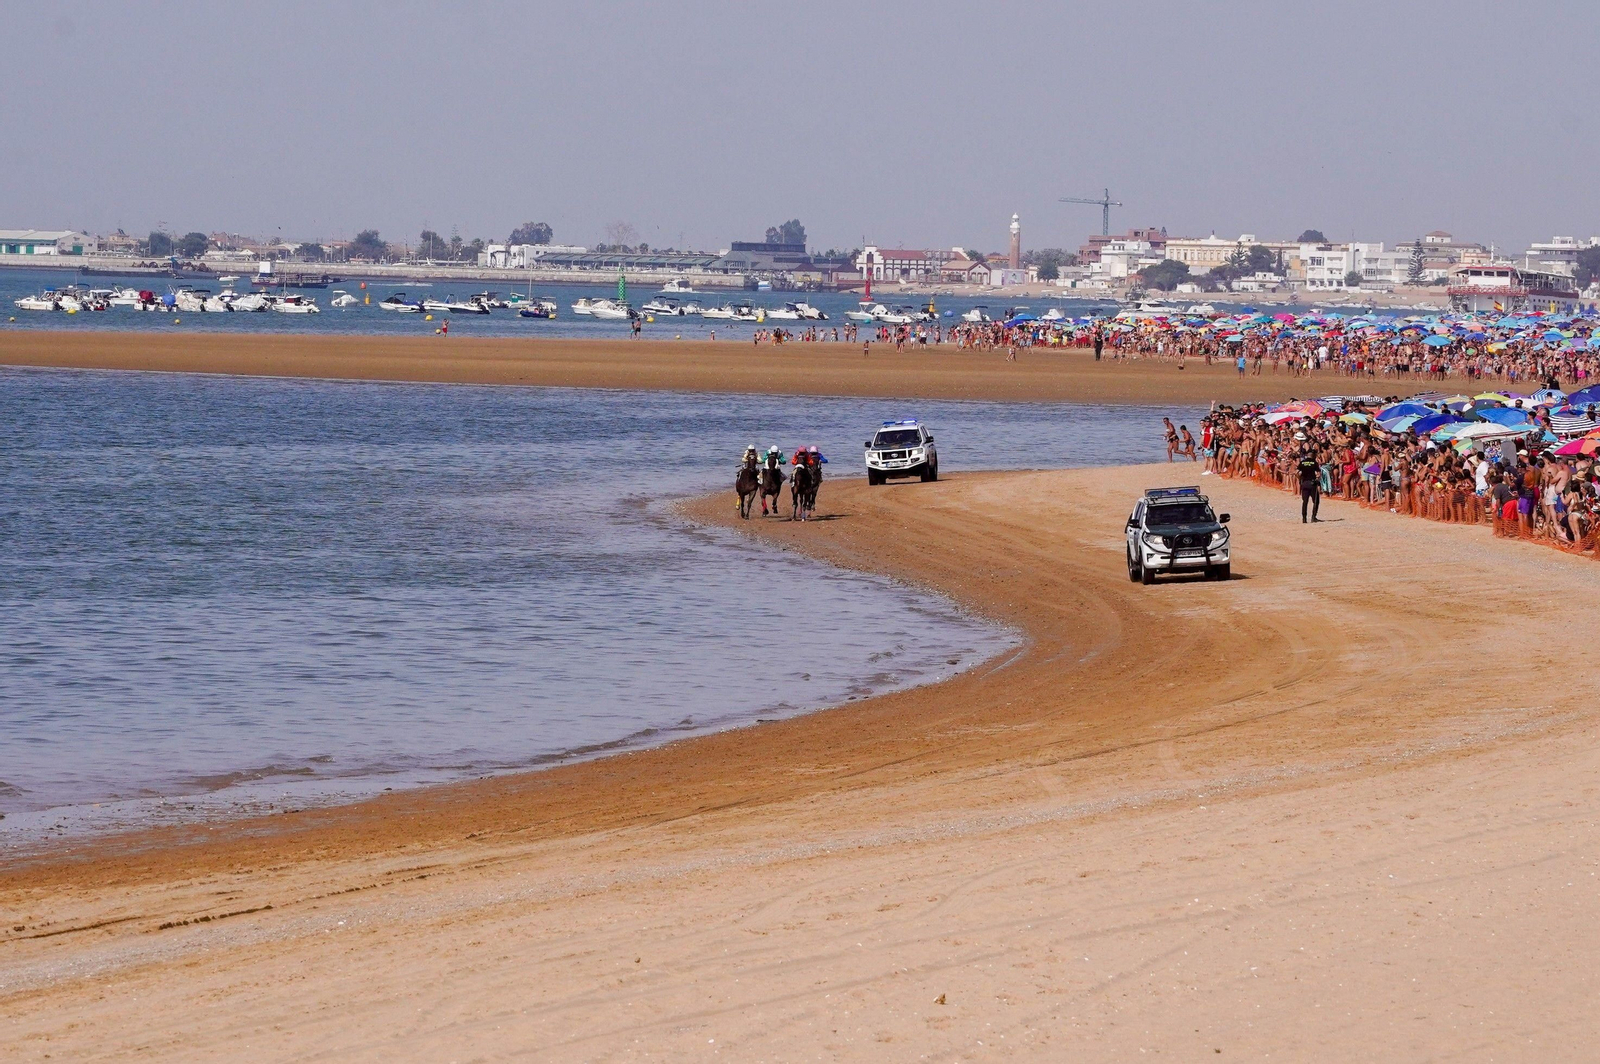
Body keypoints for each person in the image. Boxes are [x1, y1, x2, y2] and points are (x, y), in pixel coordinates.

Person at [1296, 434, 1321, 523]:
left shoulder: (1302, 463)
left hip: (1304, 482)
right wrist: (1318, 479)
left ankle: (1304, 518)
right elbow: (1318, 473)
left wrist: (1300, 479)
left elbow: (1297, 472)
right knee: (1316, 501)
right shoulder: (1314, 463)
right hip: (1312, 483)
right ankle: (1313, 517)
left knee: (1305, 501)